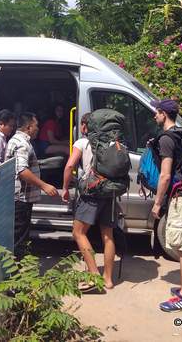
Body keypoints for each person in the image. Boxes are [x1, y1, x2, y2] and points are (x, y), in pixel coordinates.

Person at [149, 99, 182, 312]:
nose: (154, 116)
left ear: (163, 113)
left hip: (180, 198)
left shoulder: (167, 139)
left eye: (156, 112)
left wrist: (158, 202)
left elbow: (165, 175)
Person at [63, 112, 117, 291]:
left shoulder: (82, 142)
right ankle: (108, 279)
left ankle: (94, 276)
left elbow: (70, 165)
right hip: (109, 192)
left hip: (91, 192)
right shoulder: (111, 142)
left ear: (86, 126)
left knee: (78, 233)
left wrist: (65, 188)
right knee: (108, 235)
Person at [6, 112, 59, 258]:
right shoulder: (22, 144)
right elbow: (22, 170)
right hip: (20, 198)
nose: (38, 129)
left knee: (20, 235)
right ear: (29, 127)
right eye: (36, 126)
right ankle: (15, 272)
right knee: (19, 238)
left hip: (22, 197)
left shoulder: (19, 141)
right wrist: (44, 186)